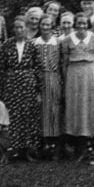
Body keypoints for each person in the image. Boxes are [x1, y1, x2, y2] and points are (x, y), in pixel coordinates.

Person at [61, 12, 94, 165]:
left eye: (84, 23)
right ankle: (80, 152)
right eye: (79, 23)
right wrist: (64, 86)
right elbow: (64, 64)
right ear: (75, 24)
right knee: (78, 113)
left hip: (92, 77)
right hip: (74, 78)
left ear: (88, 25)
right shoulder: (67, 40)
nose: (81, 26)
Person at [0, 15, 42, 161]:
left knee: (28, 115)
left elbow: (38, 67)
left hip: (28, 83)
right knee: (13, 115)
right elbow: (1, 67)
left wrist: (38, 90)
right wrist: (2, 88)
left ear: (26, 29)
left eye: (21, 27)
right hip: (12, 83)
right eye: (16, 27)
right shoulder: (6, 45)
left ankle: (28, 150)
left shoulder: (32, 45)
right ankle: (13, 149)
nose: (19, 30)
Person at [34, 14, 63, 160]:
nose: (45, 27)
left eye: (48, 25)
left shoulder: (58, 42)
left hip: (54, 79)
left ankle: (57, 148)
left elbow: (62, 63)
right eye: (43, 25)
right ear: (39, 26)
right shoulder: (34, 43)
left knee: (55, 111)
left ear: (52, 26)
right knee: (41, 112)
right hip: (40, 79)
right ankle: (43, 146)